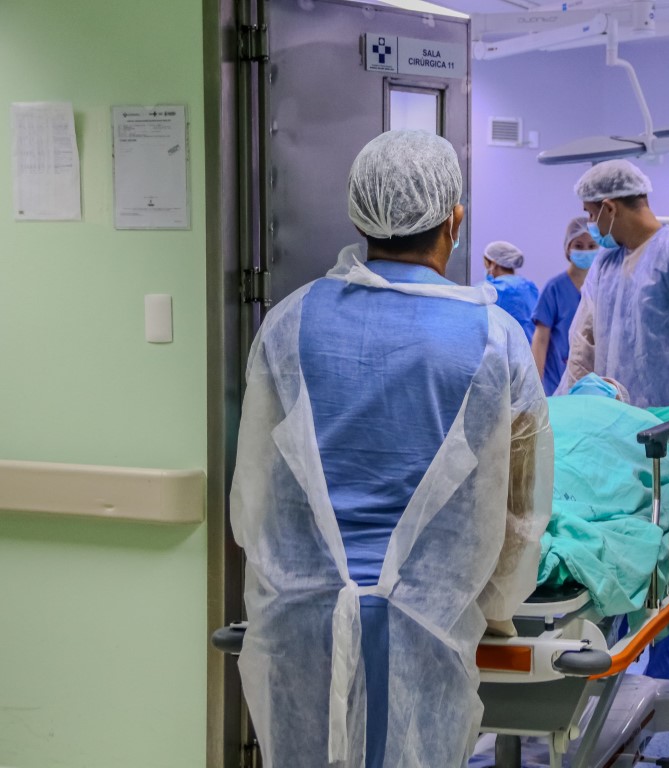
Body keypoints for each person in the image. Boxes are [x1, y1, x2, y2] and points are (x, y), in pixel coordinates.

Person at [230, 130, 553, 768]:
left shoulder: (288, 323)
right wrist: (497, 607)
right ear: (454, 221)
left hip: (299, 628)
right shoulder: (495, 341)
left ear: (360, 216)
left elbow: (259, 493)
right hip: (425, 630)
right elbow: (519, 508)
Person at [560, 159, 669, 408]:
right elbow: (583, 343)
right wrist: (579, 407)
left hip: (668, 421)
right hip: (613, 418)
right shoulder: (605, 263)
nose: (591, 222)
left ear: (609, 208)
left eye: (592, 214)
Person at [531, 217, 598, 395]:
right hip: (556, 381)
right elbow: (541, 339)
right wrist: (535, 385)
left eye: (592, 246)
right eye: (579, 245)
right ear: (568, 248)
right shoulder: (554, 288)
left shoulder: (600, 287)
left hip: (593, 381)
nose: (585, 251)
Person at [483, 240, 540, 341]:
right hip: (530, 347)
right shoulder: (530, 287)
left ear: (493, 264)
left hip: (504, 349)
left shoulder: (492, 289)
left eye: (486, 264)